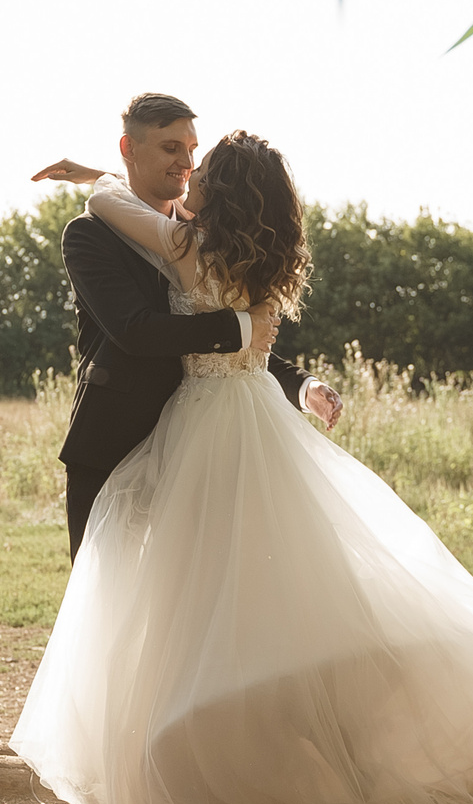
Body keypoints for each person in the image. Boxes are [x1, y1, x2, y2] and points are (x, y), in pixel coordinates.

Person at [12, 127, 473, 804]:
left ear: (220, 193)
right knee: (284, 594)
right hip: (256, 417)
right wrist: (289, 376)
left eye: (200, 166)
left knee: (182, 606)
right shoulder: (255, 257)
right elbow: (228, 332)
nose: (187, 172)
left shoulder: (184, 247)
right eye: (178, 156)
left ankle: (188, 778)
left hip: (206, 428)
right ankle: (283, 764)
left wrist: (90, 172)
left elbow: (110, 201)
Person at [42, 92, 339, 559]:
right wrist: (242, 327)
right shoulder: (89, 234)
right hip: (114, 441)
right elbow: (136, 330)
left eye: (192, 150)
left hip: (210, 452)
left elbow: (247, 345)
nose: (186, 162)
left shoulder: (209, 234)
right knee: (106, 605)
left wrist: (303, 385)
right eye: (170, 148)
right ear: (129, 149)